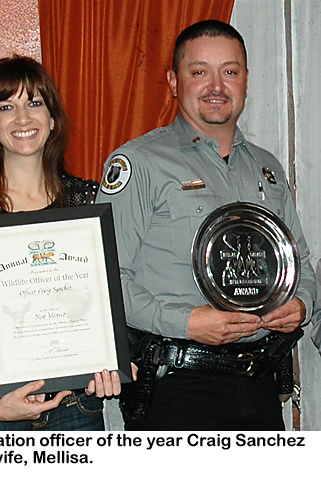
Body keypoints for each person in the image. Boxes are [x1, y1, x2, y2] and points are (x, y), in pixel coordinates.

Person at [96, 20, 316, 431]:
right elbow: (105, 282)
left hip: (260, 384)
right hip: (177, 389)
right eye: (199, 72)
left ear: (246, 80)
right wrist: (186, 323)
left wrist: (300, 304)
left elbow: (298, 260)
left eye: (230, 71)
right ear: (174, 81)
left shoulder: (267, 167)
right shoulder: (139, 164)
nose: (217, 85)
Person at [0, 56, 121, 431]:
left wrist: (112, 360)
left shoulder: (89, 202)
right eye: (6, 107)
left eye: (34, 103)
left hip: (75, 408)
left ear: (52, 118)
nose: (23, 118)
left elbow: (104, 305)